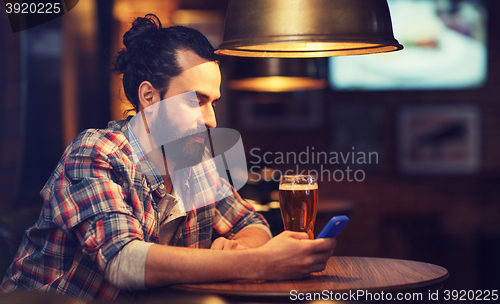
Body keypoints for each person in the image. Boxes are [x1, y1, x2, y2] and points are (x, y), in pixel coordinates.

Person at [0, 14, 336, 301]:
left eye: (213, 103)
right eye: (196, 101)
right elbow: (123, 261)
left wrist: (242, 249)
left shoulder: (194, 159)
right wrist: (261, 263)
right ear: (149, 96)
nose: (211, 120)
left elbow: (251, 223)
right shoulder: (96, 153)